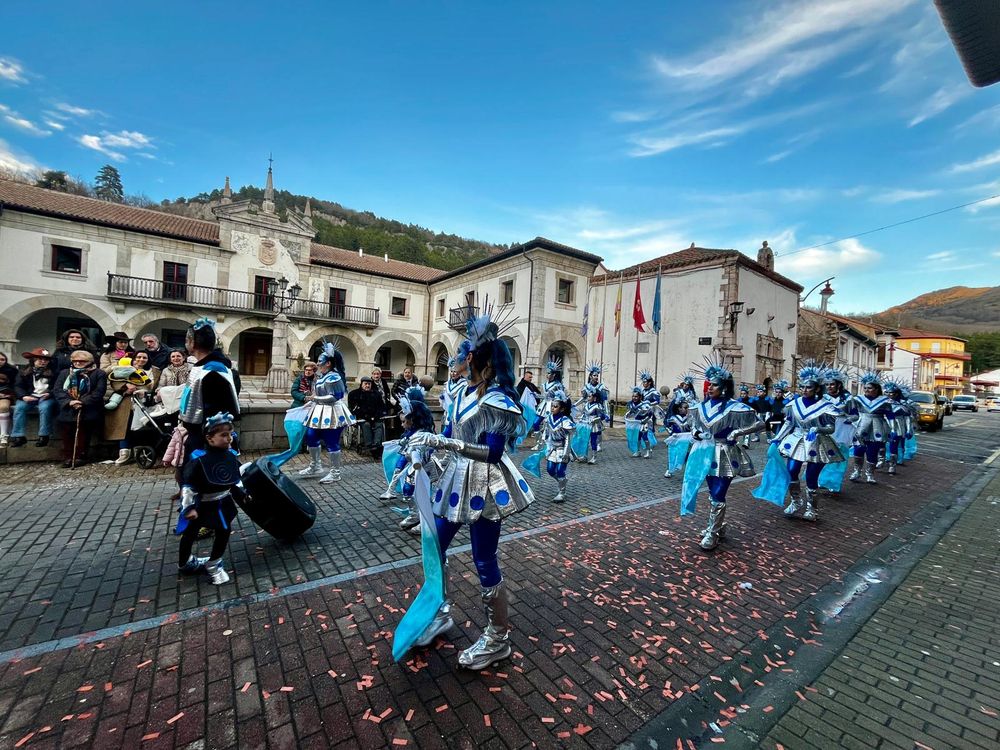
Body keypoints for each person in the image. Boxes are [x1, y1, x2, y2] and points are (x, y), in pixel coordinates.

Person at [404, 306, 534, 670]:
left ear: (472, 357)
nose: (454, 357)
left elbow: (493, 452)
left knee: (483, 558)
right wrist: (423, 448)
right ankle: (440, 612)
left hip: (485, 483)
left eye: (460, 351)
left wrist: (446, 445)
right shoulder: (459, 392)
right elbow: (447, 434)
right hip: (455, 478)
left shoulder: (498, 400)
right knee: (434, 544)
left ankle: (498, 637)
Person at [686, 360, 760, 551]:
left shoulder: (735, 407)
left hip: (726, 453)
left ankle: (712, 532)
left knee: (719, 493)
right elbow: (694, 425)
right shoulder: (700, 406)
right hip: (705, 453)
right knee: (712, 493)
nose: (710, 388)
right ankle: (717, 526)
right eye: (709, 384)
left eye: (715, 385)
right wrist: (695, 433)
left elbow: (759, 423)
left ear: (725, 387)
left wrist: (738, 433)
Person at [175, 412, 243, 585]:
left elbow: (235, 478)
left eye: (230, 434)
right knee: (190, 532)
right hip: (202, 504)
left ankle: (214, 564)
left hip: (222, 502)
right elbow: (188, 486)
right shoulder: (199, 460)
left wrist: (243, 493)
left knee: (224, 530)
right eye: (223, 435)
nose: (229, 438)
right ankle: (185, 562)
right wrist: (188, 508)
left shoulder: (231, 456)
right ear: (210, 438)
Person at [770, 364, 843, 522]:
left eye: (808, 387)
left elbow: (831, 428)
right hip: (796, 441)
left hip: (817, 442)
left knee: (811, 475)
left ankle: (812, 508)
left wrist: (818, 429)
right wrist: (777, 438)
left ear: (817, 389)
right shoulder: (793, 404)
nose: (804, 390)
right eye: (802, 387)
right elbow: (789, 423)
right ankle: (796, 501)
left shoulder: (826, 406)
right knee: (792, 470)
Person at [178, 318, 241, 467]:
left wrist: (210, 440)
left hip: (206, 438)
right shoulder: (205, 367)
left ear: (192, 342)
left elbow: (215, 410)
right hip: (198, 432)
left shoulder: (212, 370)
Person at [298, 341, 355, 483]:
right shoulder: (321, 377)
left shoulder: (335, 376)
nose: (317, 363)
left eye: (320, 361)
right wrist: (311, 402)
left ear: (328, 363)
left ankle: (335, 472)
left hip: (333, 413)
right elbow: (318, 395)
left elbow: (336, 396)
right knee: (311, 436)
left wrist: (315, 398)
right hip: (318, 412)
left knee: (331, 441)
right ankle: (315, 465)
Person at [394, 387, 439, 533]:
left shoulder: (423, 436)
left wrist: (414, 456)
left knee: (424, 494)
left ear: (413, 421)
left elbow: (423, 452)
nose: (402, 425)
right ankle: (414, 515)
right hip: (414, 469)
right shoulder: (411, 435)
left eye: (404, 422)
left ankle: (426, 520)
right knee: (408, 490)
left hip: (424, 468)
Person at [52, 350, 107, 468]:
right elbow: (58, 390)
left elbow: (99, 391)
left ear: (89, 362)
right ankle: (68, 456)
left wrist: (82, 402)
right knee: (66, 433)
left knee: (83, 432)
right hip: (68, 407)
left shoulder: (99, 373)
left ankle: (80, 455)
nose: (78, 363)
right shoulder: (65, 373)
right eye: (75, 361)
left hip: (88, 408)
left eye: (82, 361)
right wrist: (69, 402)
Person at [849, 372, 893, 485]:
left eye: (870, 388)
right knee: (858, 449)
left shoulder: (885, 401)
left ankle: (870, 474)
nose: (867, 390)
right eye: (865, 388)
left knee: (872, 451)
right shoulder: (858, 399)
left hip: (877, 426)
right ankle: (857, 471)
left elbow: (890, 415)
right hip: (861, 424)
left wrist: (893, 428)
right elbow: (853, 413)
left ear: (877, 389)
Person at [104, 362, 152, 465]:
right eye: (138, 358)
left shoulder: (147, 372)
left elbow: (150, 385)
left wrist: (139, 388)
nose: (140, 360)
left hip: (141, 403)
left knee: (139, 427)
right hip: (123, 404)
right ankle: (124, 452)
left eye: (144, 358)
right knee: (123, 428)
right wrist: (125, 387)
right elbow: (113, 383)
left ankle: (138, 452)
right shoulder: (118, 373)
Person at [10, 348, 58, 448]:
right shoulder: (24, 371)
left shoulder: (54, 372)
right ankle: (18, 436)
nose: (43, 362)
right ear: (33, 360)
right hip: (29, 396)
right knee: (19, 408)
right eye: (40, 359)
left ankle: (44, 435)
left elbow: (58, 386)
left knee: (44, 408)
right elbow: (18, 386)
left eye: (46, 360)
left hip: (46, 397)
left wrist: (50, 394)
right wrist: (23, 396)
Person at [542, 391, 574, 502]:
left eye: (555, 406)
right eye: (552, 406)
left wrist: (566, 453)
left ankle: (562, 492)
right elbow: (546, 434)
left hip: (562, 449)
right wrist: (546, 445)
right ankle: (562, 481)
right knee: (550, 470)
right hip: (552, 449)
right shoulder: (548, 419)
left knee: (560, 471)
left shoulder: (565, 421)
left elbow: (568, 439)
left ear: (561, 409)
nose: (552, 408)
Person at [348, 377, 387, 454]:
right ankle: (369, 445)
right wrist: (366, 416)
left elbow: (381, 407)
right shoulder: (354, 394)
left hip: (375, 417)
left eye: (369, 384)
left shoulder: (376, 394)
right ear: (361, 384)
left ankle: (376, 444)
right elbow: (354, 408)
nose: (367, 386)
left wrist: (377, 416)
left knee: (379, 424)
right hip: (362, 417)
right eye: (365, 384)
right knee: (366, 424)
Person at [663, 395, 692, 478]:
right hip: (676, 438)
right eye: (685, 408)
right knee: (673, 454)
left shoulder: (690, 418)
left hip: (687, 439)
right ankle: (669, 469)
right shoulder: (673, 418)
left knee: (687, 455)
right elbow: (667, 426)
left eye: (687, 408)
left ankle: (687, 471)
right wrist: (671, 434)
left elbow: (693, 428)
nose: (687, 409)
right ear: (679, 408)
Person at [625, 386, 655, 458]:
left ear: (640, 397)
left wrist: (645, 420)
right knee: (637, 438)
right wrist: (628, 416)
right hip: (636, 423)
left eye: (636, 396)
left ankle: (648, 451)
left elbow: (650, 414)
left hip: (644, 423)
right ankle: (638, 451)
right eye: (633, 396)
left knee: (644, 437)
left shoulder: (645, 405)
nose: (634, 398)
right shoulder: (630, 404)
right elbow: (630, 413)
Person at [581, 387, 608, 465]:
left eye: (590, 396)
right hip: (586, 424)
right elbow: (584, 414)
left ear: (595, 398)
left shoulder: (598, 406)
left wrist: (594, 420)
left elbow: (602, 416)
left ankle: (594, 457)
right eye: (588, 396)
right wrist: (581, 418)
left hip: (594, 426)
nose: (588, 398)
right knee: (585, 440)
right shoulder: (586, 404)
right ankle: (584, 456)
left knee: (593, 441)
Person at [0, 352, 17, 447]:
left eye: (3, 359)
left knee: (3, 407)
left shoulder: (12, 370)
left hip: (5, 394)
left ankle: (4, 435)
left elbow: (14, 385)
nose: (1, 362)